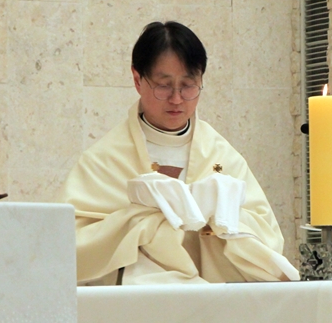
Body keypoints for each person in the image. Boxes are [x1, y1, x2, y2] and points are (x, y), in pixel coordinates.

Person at [60, 21, 299, 285]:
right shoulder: (105, 161)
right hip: (138, 303)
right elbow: (67, 247)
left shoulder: (221, 155)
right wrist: (142, 222)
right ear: (137, 80)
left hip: (215, 301)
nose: (176, 99)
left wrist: (221, 214)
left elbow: (269, 240)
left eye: (188, 85)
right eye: (163, 85)